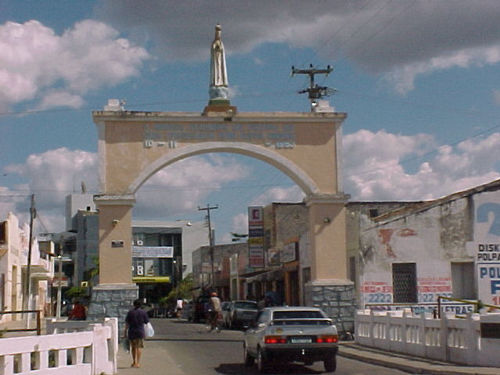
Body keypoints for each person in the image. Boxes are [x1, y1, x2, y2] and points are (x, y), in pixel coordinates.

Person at [124, 299, 150, 368]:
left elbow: (127, 324)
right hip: (140, 332)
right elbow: (146, 322)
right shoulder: (143, 312)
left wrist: (125, 332)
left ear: (134, 304)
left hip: (132, 331)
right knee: (138, 347)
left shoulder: (130, 312)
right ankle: (138, 363)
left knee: (133, 347)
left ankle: (134, 361)